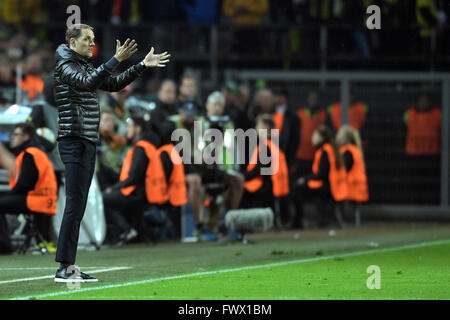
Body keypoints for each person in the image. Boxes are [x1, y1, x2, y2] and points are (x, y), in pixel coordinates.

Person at [53, 23, 170, 282]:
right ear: (73, 43)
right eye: (87, 39)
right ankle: (64, 267)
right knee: (74, 202)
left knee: (78, 203)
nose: (92, 43)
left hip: (86, 139)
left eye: (93, 39)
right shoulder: (65, 64)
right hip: (73, 139)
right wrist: (115, 59)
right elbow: (86, 84)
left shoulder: (81, 64)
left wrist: (141, 66)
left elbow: (114, 84)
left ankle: (67, 266)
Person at [103, 117, 163, 244]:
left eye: (130, 126)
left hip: (136, 193)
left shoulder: (140, 147)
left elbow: (134, 177)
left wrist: (114, 188)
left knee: (104, 199)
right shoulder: (148, 145)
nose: (127, 130)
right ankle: (141, 232)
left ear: (138, 129)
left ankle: (126, 230)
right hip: (146, 191)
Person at [0, 123, 58, 254]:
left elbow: (25, 184)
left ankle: (4, 247)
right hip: (44, 199)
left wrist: (8, 195)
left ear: (25, 137)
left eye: (16, 134)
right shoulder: (36, 152)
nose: (12, 138)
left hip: (36, 199)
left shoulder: (30, 154)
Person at [294, 125, 348, 228]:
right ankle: (319, 219)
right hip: (335, 186)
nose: (312, 138)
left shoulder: (324, 151)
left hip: (328, 187)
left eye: (315, 135)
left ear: (322, 137)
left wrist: (305, 179)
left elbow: (321, 174)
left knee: (296, 190)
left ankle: (298, 221)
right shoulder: (331, 148)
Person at [243, 114, 289, 218]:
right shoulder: (274, 144)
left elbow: (259, 170)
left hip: (265, 185)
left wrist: (243, 177)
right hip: (274, 185)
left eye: (258, 125)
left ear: (265, 127)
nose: (255, 128)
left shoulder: (266, 146)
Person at [336, 125, 369, 225]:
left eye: (339, 135)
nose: (337, 137)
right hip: (358, 186)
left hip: (351, 186)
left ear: (345, 138)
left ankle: (331, 221)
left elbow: (344, 169)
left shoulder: (347, 151)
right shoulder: (355, 149)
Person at [97, 110, 128, 191]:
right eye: (106, 120)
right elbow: (98, 167)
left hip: (118, 178)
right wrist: (105, 186)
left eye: (111, 120)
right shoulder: (96, 141)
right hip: (104, 183)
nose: (109, 123)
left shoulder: (119, 140)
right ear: (99, 122)